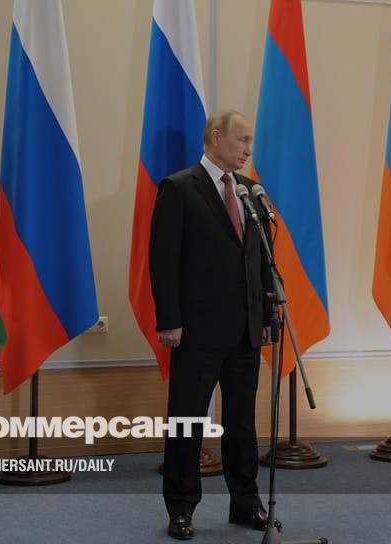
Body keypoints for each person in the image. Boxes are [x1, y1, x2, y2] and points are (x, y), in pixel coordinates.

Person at [149, 110, 276, 540]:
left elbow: (262, 261)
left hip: (245, 331)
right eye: (242, 140)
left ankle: (246, 503)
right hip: (197, 331)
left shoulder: (250, 193)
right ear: (216, 137)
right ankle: (182, 507)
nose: (247, 150)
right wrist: (169, 320)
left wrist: (267, 315)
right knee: (188, 422)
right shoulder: (179, 188)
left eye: (250, 142)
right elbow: (163, 261)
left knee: (241, 424)